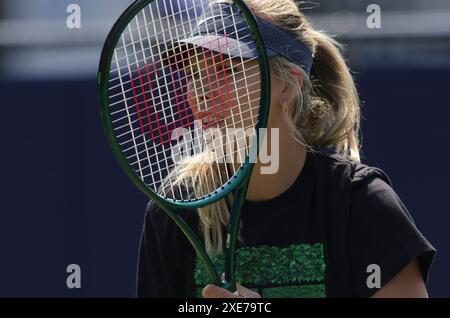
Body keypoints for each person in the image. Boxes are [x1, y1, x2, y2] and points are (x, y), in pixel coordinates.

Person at [137, 0, 435, 298]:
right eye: (194, 74)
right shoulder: (174, 215)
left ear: (287, 85)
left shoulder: (363, 205)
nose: (201, 93)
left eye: (227, 70)